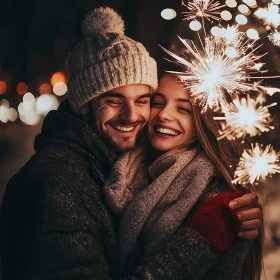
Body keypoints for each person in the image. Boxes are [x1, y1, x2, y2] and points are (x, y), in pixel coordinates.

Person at [0, 7, 261, 280]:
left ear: (203, 123)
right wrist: (198, 241)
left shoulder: (213, 197)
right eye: (113, 101)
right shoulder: (60, 180)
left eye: (143, 100)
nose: (132, 115)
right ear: (84, 106)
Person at [103, 70, 264, 279]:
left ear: (204, 121)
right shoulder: (128, 167)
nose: (164, 115)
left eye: (183, 109)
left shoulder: (220, 198)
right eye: (158, 103)